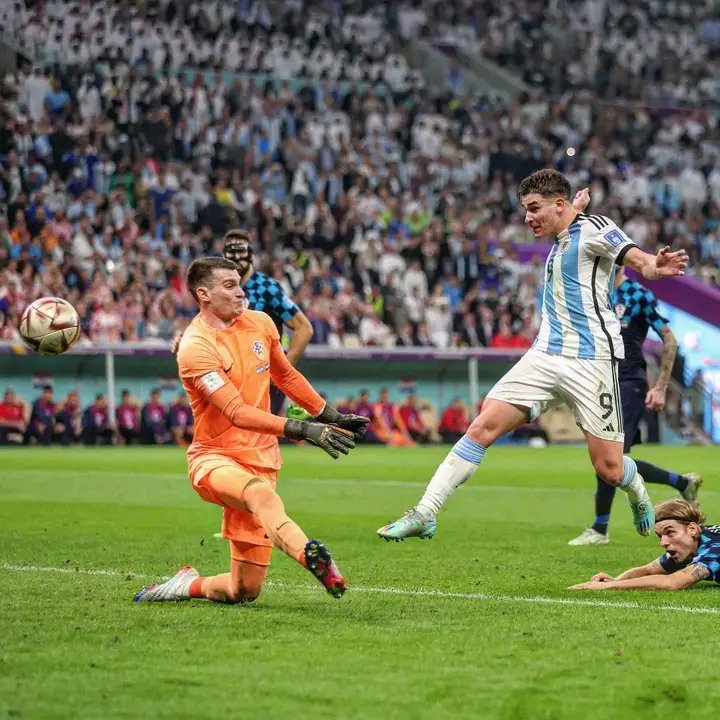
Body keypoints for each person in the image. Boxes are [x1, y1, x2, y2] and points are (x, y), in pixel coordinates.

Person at [378, 169, 688, 542]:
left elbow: (637, 260)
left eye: (534, 208)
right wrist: (572, 209)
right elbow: (569, 222)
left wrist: (655, 265)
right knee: (482, 426)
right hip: (544, 355)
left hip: (591, 362)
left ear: (558, 204)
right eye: (526, 209)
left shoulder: (596, 227)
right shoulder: (563, 231)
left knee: (609, 468)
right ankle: (426, 512)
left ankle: (636, 488)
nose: (527, 217)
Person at [134, 257, 369, 604]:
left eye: (239, 283)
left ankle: (186, 585)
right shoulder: (196, 346)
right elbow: (236, 412)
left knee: (244, 589)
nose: (241, 292)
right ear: (204, 294)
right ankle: (314, 559)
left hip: (262, 458)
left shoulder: (260, 323)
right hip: (216, 458)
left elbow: (285, 375)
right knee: (261, 496)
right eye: (229, 285)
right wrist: (304, 430)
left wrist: (329, 415)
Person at [569, 256, 701, 545]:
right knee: (611, 459)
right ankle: (682, 482)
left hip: (630, 383)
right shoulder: (594, 293)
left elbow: (670, 339)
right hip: (601, 384)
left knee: (611, 456)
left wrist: (661, 388)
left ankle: (600, 529)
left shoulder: (637, 294)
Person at [173, 229, 314, 415]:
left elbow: (304, 328)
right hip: (230, 374)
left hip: (261, 375)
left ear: (251, 254)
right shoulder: (216, 288)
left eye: (241, 251)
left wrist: (283, 371)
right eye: (230, 252)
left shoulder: (266, 288)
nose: (236, 257)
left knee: (258, 429)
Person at [570, 499, 720, 590]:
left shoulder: (714, 549)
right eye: (660, 536)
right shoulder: (692, 543)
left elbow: (673, 582)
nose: (663, 542)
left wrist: (607, 586)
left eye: (670, 532)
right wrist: (616, 580)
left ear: (692, 529)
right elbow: (648, 570)